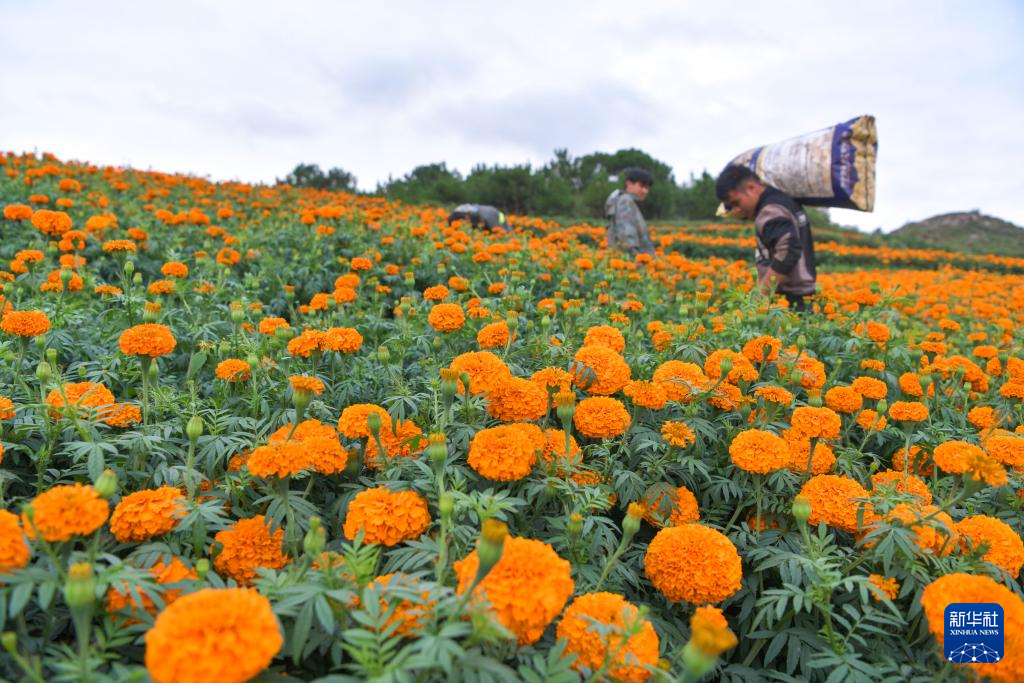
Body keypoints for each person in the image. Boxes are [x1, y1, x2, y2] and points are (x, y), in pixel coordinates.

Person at [715, 165, 817, 312]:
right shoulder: (782, 201)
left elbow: (788, 250)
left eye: (736, 203)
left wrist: (762, 294)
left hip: (789, 300)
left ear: (751, 187)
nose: (736, 210)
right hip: (802, 296)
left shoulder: (770, 211)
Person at [604, 168, 656, 257]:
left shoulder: (626, 201)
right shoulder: (625, 201)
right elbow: (626, 237)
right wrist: (640, 260)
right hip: (629, 262)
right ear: (628, 183)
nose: (645, 191)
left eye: (647, 187)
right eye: (642, 185)